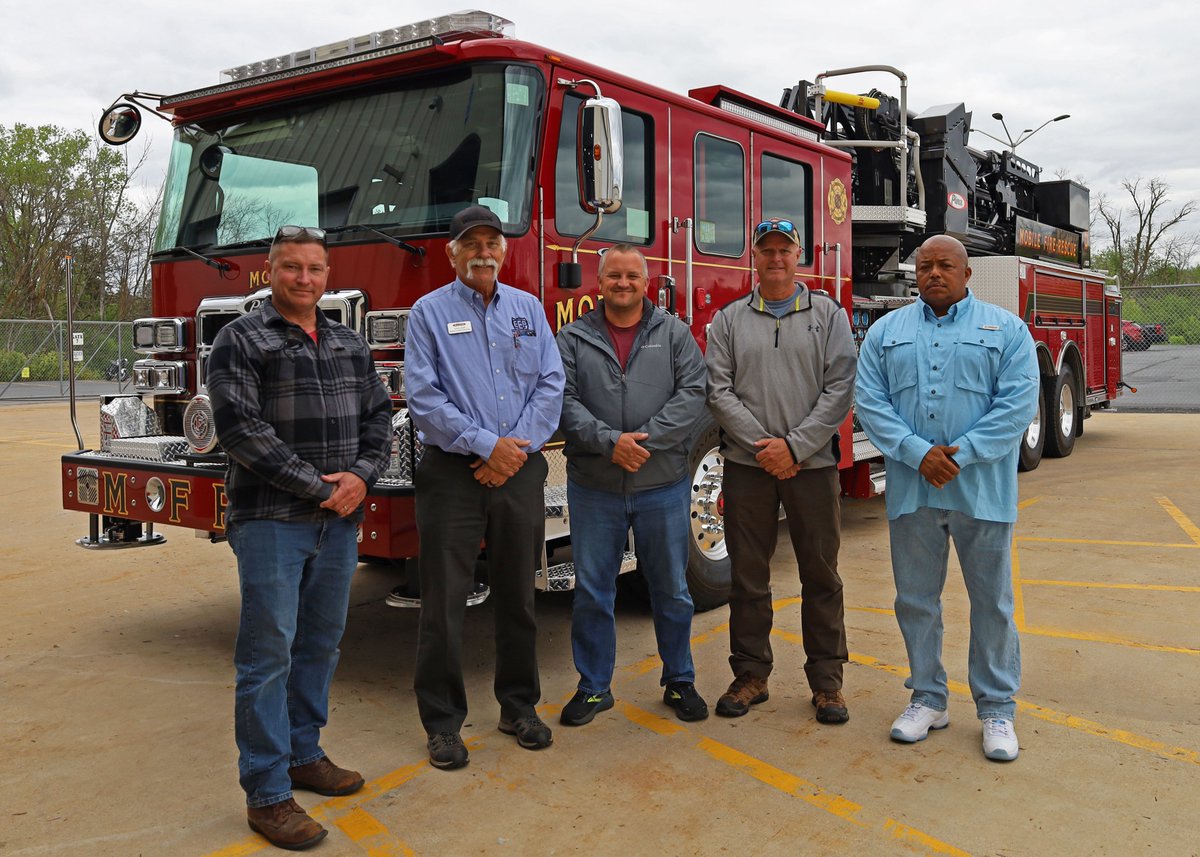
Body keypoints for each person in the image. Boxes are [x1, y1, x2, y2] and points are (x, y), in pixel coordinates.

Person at [207, 225, 393, 850]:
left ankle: (304, 755)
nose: (304, 279)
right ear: (270, 271)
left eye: (315, 269)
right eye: (292, 268)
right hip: (271, 523)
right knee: (267, 657)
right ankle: (265, 794)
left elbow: (379, 418)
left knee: (319, 645)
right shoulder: (240, 339)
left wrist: (362, 479)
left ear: (326, 274)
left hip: (337, 523)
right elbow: (240, 431)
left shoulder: (347, 341)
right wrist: (321, 488)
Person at [854, 234, 1039, 762]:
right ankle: (928, 698)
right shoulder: (886, 333)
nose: (934, 273)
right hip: (913, 491)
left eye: (946, 265)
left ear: (967, 273)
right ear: (915, 273)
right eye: (925, 265)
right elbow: (870, 401)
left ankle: (998, 709)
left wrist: (963, 453)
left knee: (993, 604)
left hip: (982, 491)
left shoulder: (1007, 331)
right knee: (915, 601)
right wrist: (918, 453)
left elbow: (1018, 402)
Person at [405, 205, 565, 770]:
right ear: (452, 253)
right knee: (444, 603)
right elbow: (423, 398)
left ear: (505, 250)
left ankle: (519, 707)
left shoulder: (527, 310)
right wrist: (482, 444)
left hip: (517, 468)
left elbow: (551, 384)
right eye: (470, 243)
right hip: (454, 474)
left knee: (519, 595)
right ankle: (443, 724)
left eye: (492, 242)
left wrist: (512, 448)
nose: (483, 252)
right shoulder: (427, 314)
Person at [705, 217, 857, 724]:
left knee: (821, 575)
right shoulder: (728, 321)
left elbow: (840, 389)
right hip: (748, 468)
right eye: (766, 250)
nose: (775, 258)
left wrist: (794, 448)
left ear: (800, 257)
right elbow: (718, 391)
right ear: (754, 257)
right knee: (747, 575)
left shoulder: (829, 316)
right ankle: (751, 675)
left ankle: (827, 683)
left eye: (784, 250)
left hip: (811, 467)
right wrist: (764, 447)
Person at [555, 245, 709, 726]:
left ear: (648, 282)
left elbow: (694, 393)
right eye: (614, 276)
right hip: (594, 485)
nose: (623, 284)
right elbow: (561, 398)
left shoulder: (674, 333)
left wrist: (644, 442)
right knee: (593, 592)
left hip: (660, 482)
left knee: (671, 588)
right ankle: (595, 688)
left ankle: (680, 680)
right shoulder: (573, 337)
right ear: (598, 282)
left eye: (632, 277)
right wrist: (608, 443)